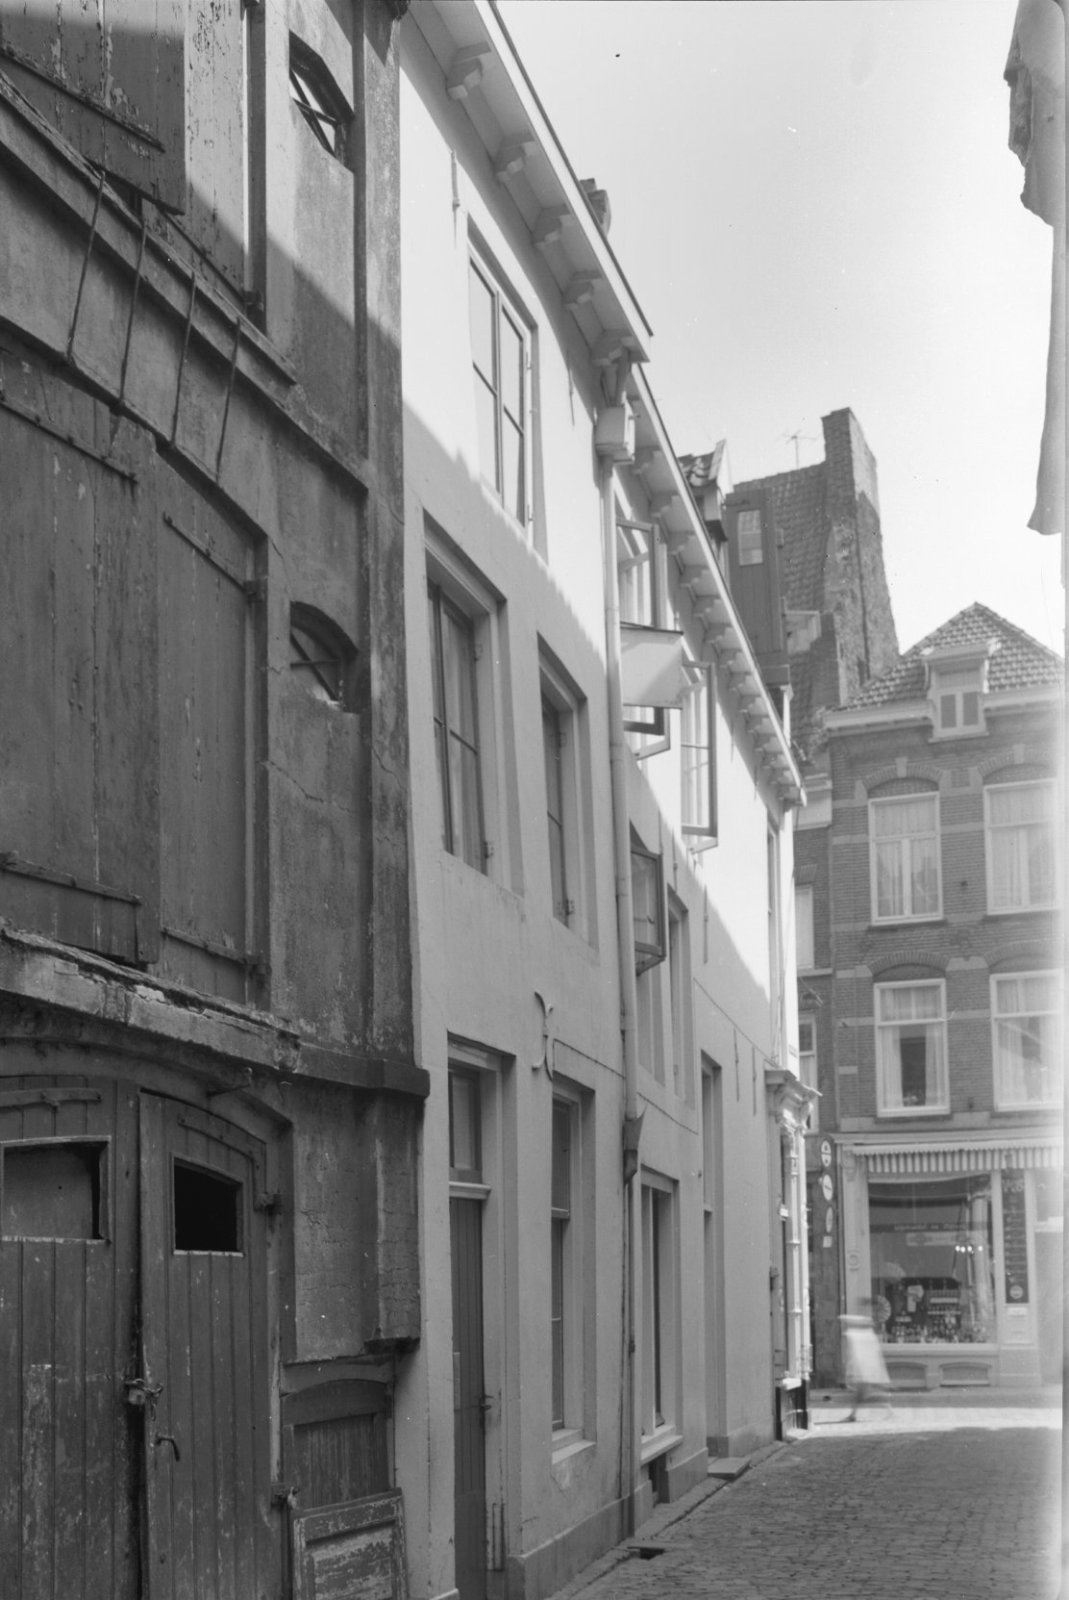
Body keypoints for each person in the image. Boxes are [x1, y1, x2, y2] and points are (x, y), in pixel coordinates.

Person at [840, 1307, 891, 1421]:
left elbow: (856, 1355)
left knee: (861, 1395)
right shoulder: (867, 1335)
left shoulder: (855, 1336)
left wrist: (852, 1370)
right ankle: (886, 1407)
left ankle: (854, 1415)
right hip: (866, 1371)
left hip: (863, 1371)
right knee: (862, 1395)